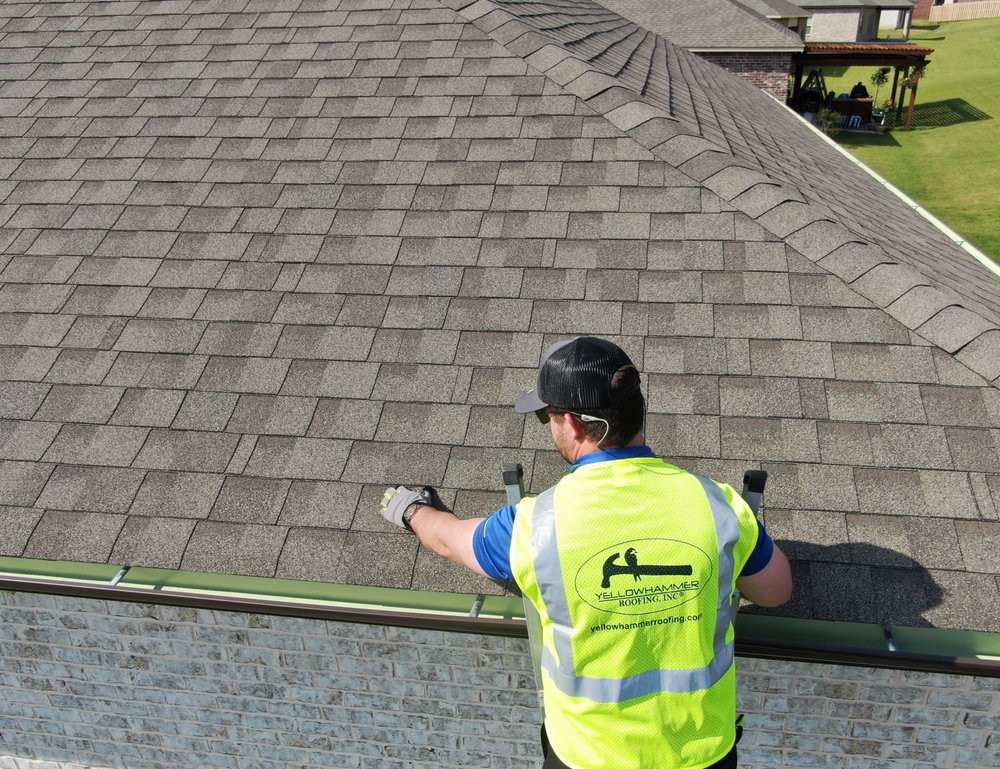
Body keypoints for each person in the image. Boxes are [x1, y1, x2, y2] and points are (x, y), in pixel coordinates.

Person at [380, 336, 793, 769]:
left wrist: (411, 510)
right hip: (702, 752)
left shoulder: (536, 525)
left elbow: (450, 539)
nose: (549, 425)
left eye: (546, 416)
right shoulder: (719, 506)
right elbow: (776, 590)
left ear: (573, 424)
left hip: (588, 757)